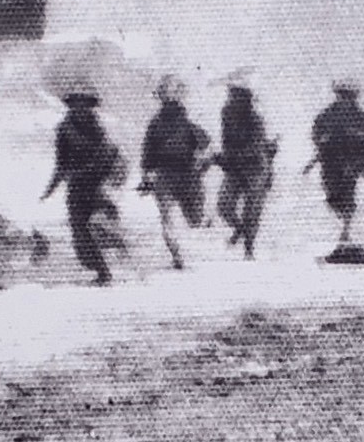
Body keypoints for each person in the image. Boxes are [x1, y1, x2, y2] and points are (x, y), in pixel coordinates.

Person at [42, 84, 125, 285]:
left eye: (85, 103)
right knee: (80, 235)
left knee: (99, 223)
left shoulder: (98, 128)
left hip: (97, 184)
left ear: (90, 105)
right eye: (76, 103)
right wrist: (50, 189)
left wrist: (111, 178)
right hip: (77, 186)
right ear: (71, 106)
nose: (81, 107)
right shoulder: (63, 130)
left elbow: (111, 156)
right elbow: (61, 164)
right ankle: (103, 271)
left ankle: (114, 248)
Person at [139, 74, 210, 269]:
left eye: (172, 98)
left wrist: (201, 164)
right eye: (166, 97)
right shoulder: (157, 125)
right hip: (168, 177)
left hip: (186, 176)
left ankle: (178, 253)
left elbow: (205, 148)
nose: (169, 102)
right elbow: (147, 154)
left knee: (193, 219)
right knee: (169, 218)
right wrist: (147, 176)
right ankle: (177, 257)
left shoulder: (187, 125)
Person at [214, 68, 276, 260]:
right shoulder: (226, 112)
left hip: (256, 167)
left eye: (233, 91)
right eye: (230, 91)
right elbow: (227, 142)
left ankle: (249, 248)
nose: (230, 95)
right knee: (224, 206)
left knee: (252, 209)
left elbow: (258, 146)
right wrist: (223, 158)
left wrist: (224, 158)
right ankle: (241, 231)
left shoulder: (255, 114)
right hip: (236, 166)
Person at [307, 80, 364, 244]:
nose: (344, 99)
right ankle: (344, 221)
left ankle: (346, 230)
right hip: (329, 161)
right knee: (331, 195)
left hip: (351, 162)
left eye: (348, 96)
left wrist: (360, 153)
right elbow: (316, 134)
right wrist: (323, 141)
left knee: (347, 193)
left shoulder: (362, 117)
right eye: (342, 95)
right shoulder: (326, 115)